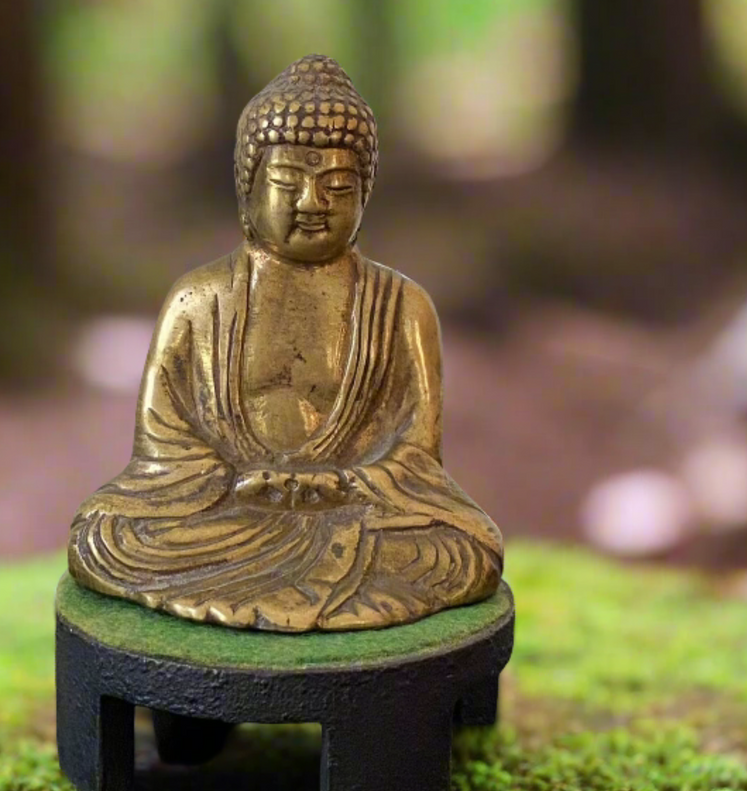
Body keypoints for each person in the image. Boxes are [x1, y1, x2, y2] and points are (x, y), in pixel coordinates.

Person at [68, 55, 502, 631]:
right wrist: (237, 483)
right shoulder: (199, 299)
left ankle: (285, 587)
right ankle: (310, 592)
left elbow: (417, 453)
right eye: (286, 182)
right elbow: (162, 447)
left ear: (365, 195)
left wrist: (338, 485)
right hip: (225, 508)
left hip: (353, 514)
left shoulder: (402, 305)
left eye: (338, 186)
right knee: (107, 535)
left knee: (461, 548)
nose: (312, 203)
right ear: (248, 189)